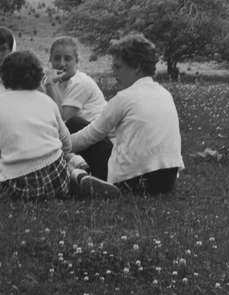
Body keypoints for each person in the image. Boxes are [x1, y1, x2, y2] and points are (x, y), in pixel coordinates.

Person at [0, 50, 118, 199]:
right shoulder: (47, 101)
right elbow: (66, 142)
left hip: (17, 186)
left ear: (3, 76)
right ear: (39, 76)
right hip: (57, 178)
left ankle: (74, 175)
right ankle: (75, 175)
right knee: (55, 157)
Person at [70, 33, 184, 195]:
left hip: (132, 181)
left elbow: (89, 136)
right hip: (166, 181)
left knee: (75, 124)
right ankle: (81, 173)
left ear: (136, 67)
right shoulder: (165, 94)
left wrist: (55, 148)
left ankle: (80, 176)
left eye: (118, 67)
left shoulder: (125, 97)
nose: (113, 73)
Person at [44, 36, 113, 180]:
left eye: (67, 59)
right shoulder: (56, 82)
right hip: (80, 142)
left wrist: (49, 85)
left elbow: (62, 120)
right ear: (50, 60)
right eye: (57, 58)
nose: (62, 63)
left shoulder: (80, 83)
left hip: (102, 145)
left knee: (73, 123)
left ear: (77, 61)